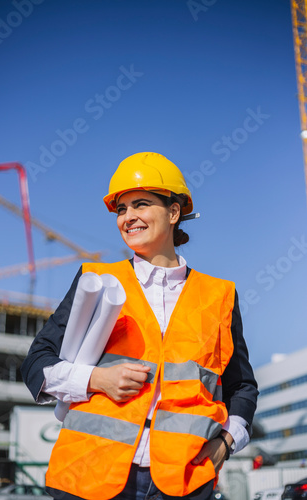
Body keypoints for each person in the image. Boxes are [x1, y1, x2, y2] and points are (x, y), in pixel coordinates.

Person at [21, 152, 258, 500]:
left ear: (174, 212)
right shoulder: (96, 281)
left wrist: (227, 441)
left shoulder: (219, 294)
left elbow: (242, 386)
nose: (128, 217)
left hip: (184, 480)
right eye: (121, 209)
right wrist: (96, 379)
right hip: (90, 474)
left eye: (141, 205)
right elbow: (36, 362)